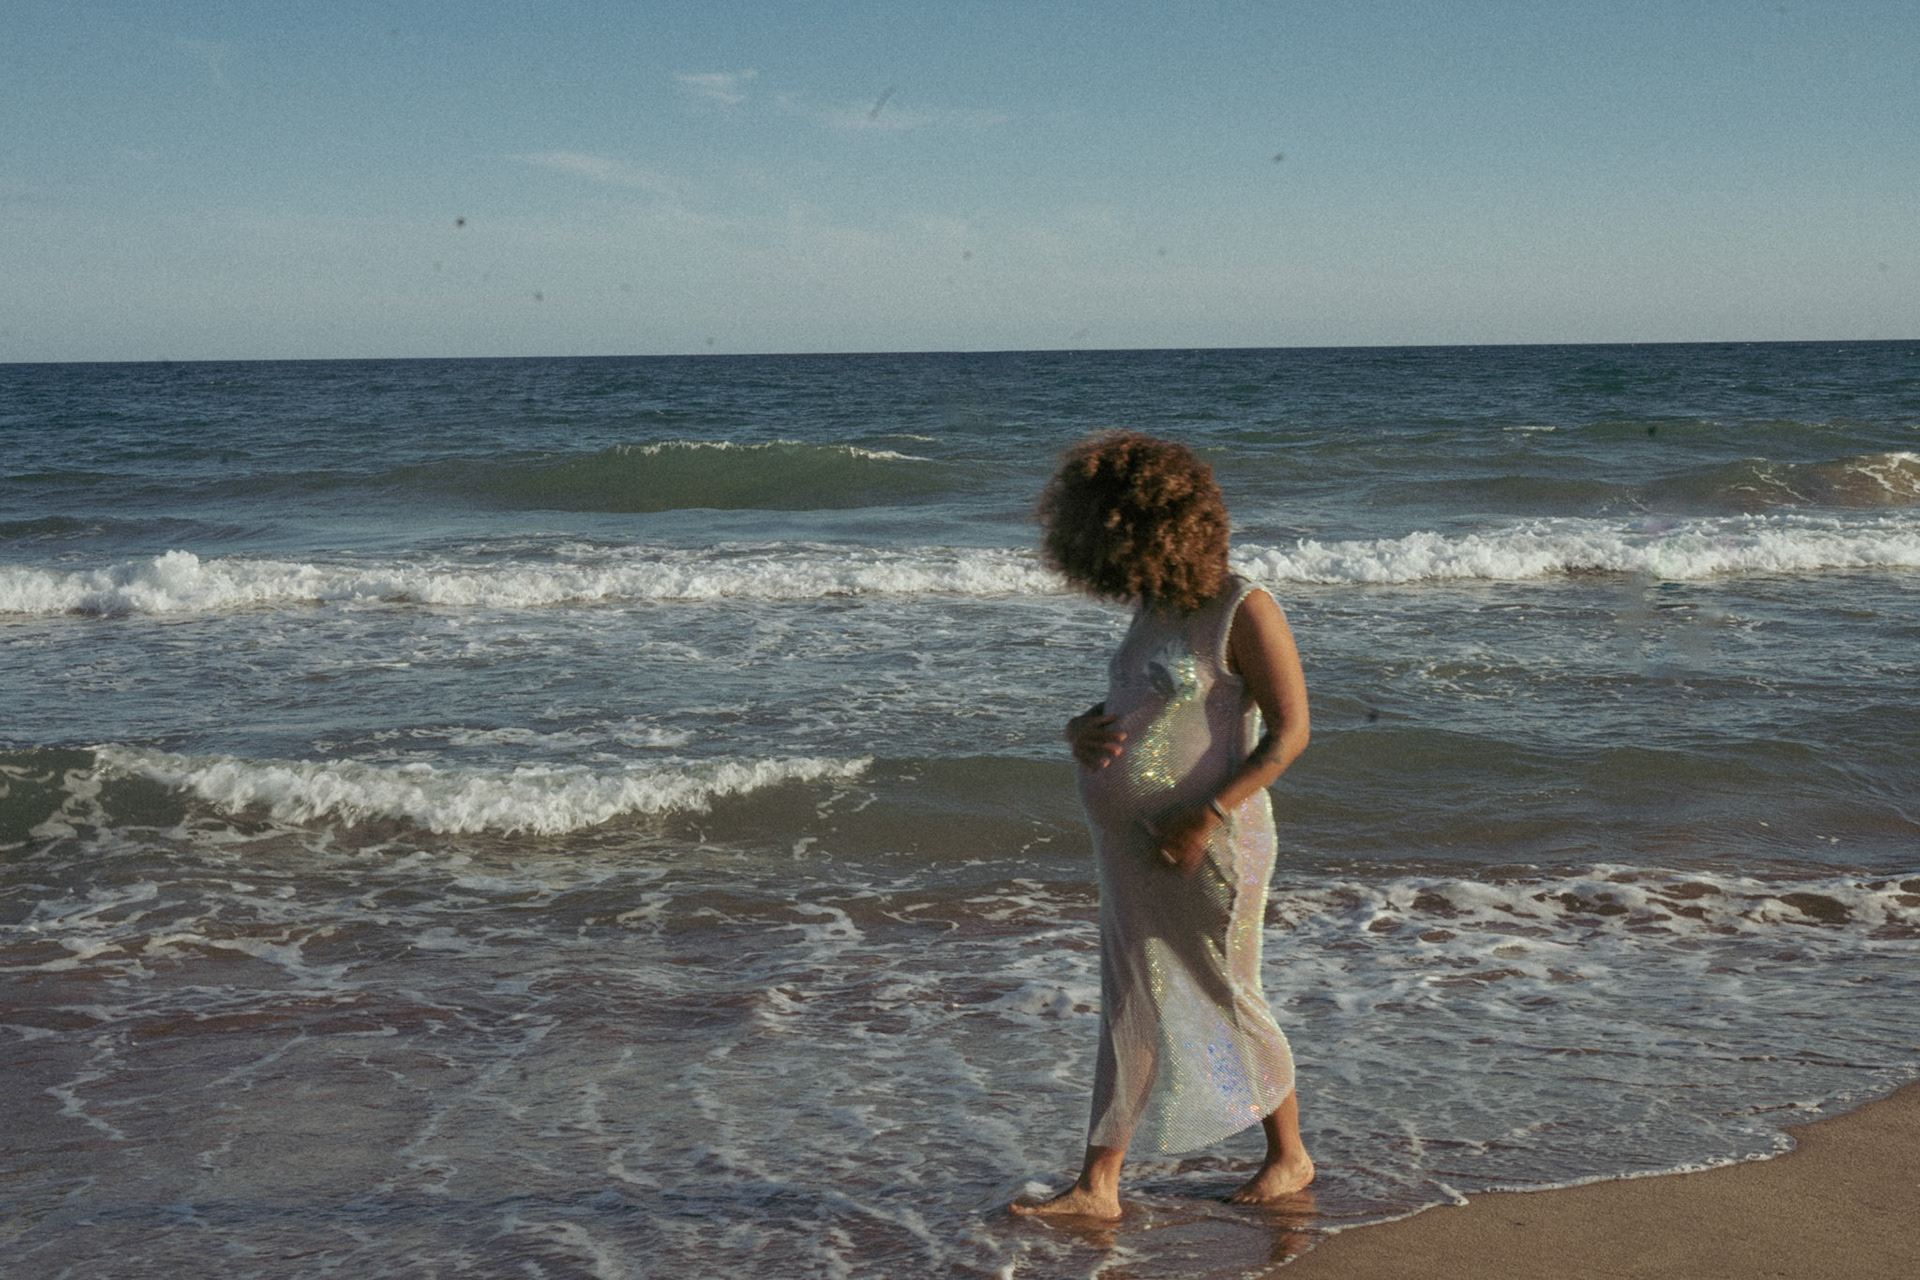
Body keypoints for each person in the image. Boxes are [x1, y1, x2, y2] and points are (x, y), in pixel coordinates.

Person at [1010, 431, 1314, 1221]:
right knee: (1128, 999)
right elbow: (1140, 706)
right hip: (1129, 845)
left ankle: (1289, 1156)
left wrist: (1203, 816)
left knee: (1226, 992)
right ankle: (1098, 1185)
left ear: (1157, 528)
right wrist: (1080, 731)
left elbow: (1290, 733)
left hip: (1211, 843)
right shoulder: (1152, 607)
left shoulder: (1243, 607)